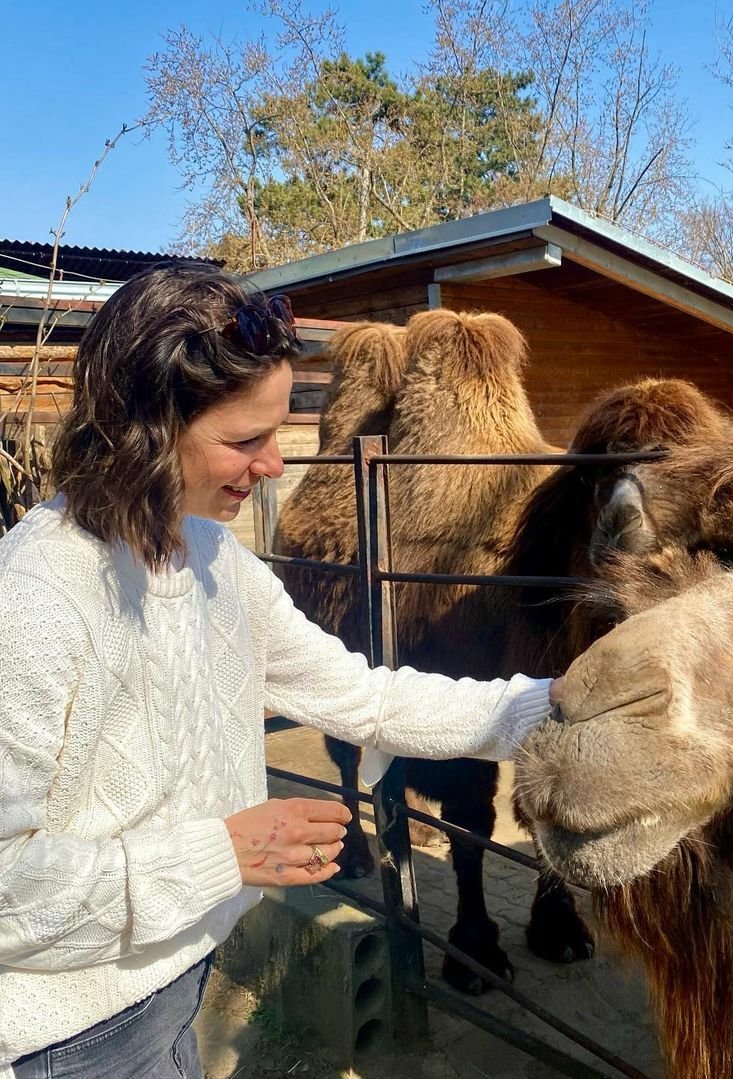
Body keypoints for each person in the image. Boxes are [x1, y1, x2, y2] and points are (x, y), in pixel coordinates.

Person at [0, 262, 558, 1078]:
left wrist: (551, 705)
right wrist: (219, 855)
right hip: (75, 1034)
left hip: (177, 979)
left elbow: (363, 696)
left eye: (276, 430)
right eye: (243, 440)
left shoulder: (218, 562)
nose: (274, 466)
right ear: (144, 431)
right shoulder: (34, 602)